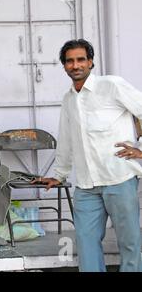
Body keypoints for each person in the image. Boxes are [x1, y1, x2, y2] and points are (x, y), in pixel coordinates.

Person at [34, 39, 142, 272]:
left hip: (119, 179)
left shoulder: (112, 85)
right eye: (70, 61)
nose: (76, 65)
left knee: (130, 244)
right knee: (86, 244)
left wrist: (140, 148)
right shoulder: (69, 99)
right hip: (86, 185)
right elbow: (66, 139)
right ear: (64, 66)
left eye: (81, 59)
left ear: (91, 62)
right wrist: (60, 175)